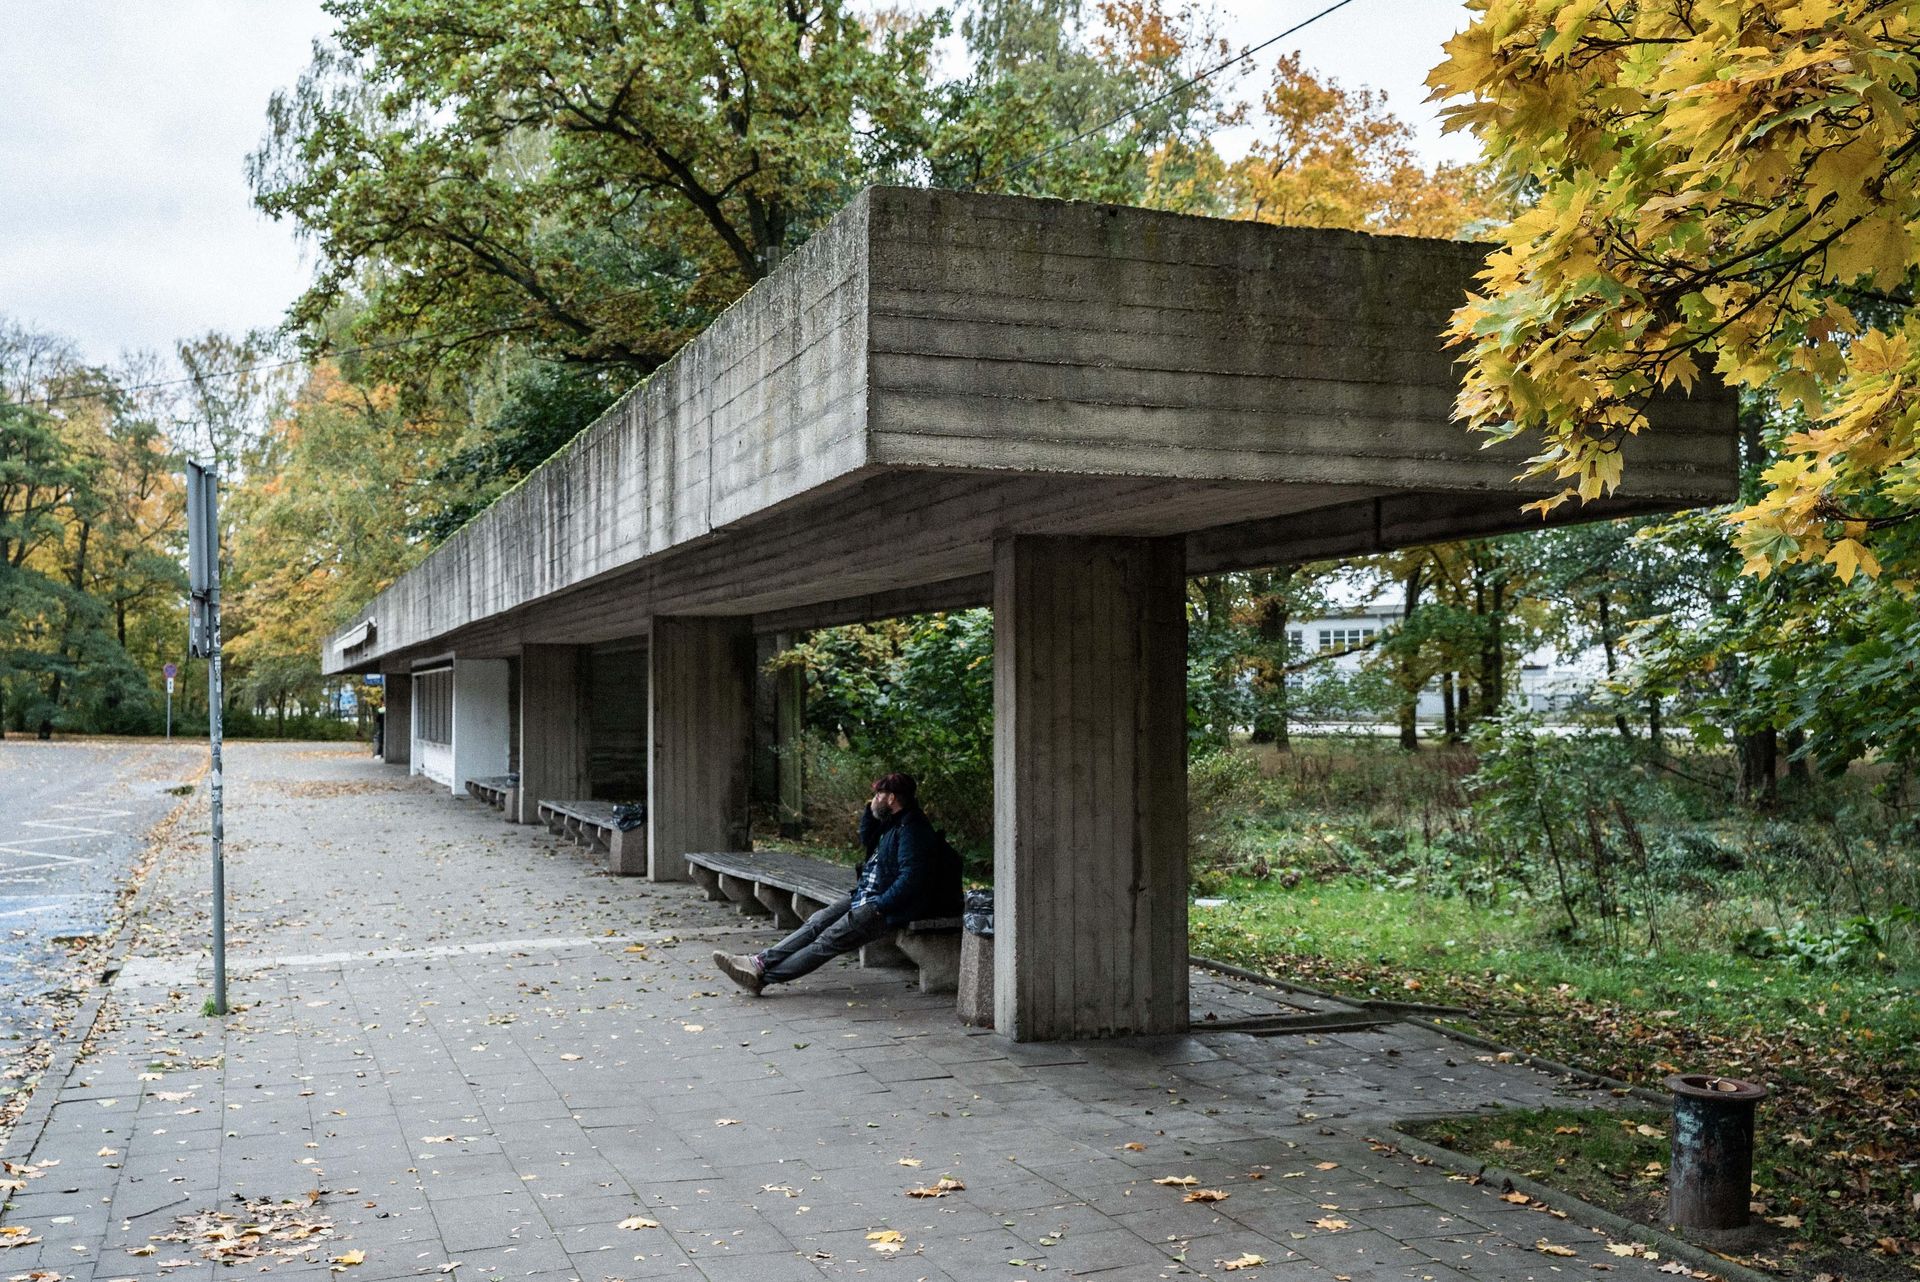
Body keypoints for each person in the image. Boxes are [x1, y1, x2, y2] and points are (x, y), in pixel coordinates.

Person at [712, 772, 958, 996]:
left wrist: (880, 905)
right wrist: (869, 811)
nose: (873, 798)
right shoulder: (893, 821)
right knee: (817, 922)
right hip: (866, 894)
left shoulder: (912, 829)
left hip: (885, 906)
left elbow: (911, 879)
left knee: (827, 941)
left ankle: (762, 978)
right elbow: (867, 839)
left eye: (878, 794)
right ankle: (759, 962)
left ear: (891, 797)